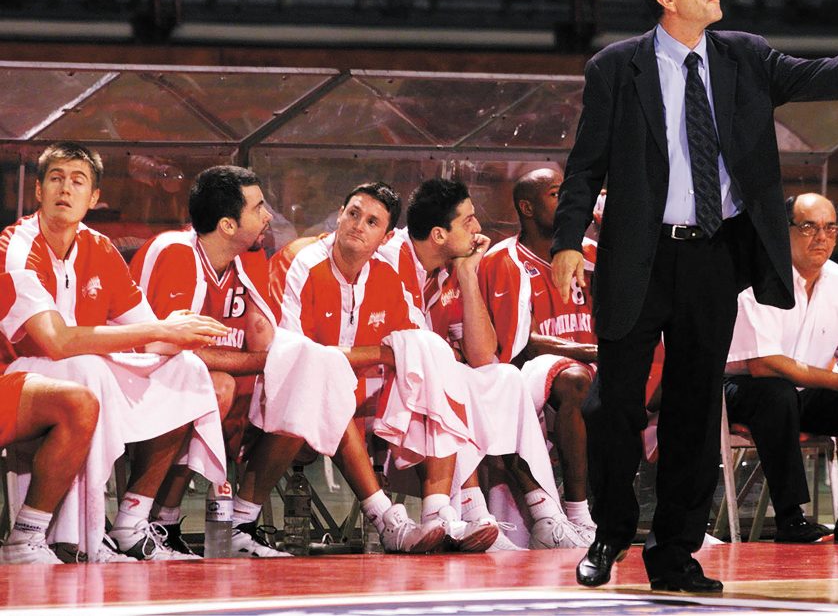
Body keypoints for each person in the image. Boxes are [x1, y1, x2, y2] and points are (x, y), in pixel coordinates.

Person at [550, 0, 838, 592]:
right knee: (614, 406)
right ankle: (611, 531)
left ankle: (674, 553)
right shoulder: (616, 67)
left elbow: (816, 77)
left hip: (714, 254)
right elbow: (584, 166)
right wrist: (568, 240)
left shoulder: (745, 54)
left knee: (692, 410)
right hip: (637, 256)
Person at [0, 141, 229, 562]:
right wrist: (161, 328)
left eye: (77, 181)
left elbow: (148, 335)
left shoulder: (99, 248)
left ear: (94, 198)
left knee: (188, 371)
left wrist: (184, 335)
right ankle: (51, 538)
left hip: (73, 370)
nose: (65, 189)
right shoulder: (16, 246)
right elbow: (56, 342)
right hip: (15, 375)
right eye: (56, 179)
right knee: (89, 371)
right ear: (38, 191)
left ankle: (130, 521)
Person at [131, 165, 364, 557]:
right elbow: (169, 351)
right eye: (258, 208)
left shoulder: (249, 260)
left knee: (303, 379)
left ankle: (242, 521)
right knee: (213, 387)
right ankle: (154, 521)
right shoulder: (175, 252)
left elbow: (267, 342)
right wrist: (266, 363)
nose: (268, 216)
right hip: (144, 390)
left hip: (228, 394)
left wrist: (284, 364)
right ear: (227, 225)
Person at [270, 182, 493, 553]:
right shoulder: (302, 260)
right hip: (296, 394)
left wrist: (466, 276)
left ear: (385, 236)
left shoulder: (385, 272)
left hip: (363, 392)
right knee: (330, 378)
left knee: (433, 361)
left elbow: (430, 347)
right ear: (339, 215)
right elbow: (291, 356)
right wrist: (379, 353)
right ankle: (386, 519)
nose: (358, 225)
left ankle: (440, 512)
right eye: (354, 214)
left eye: (371, 222)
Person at [378, 178, 591, 550]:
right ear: (439, 235)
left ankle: (545, 515)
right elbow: (418, 353)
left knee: (505, 377)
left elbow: (482, 354)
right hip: (386, 381)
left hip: (431, 381)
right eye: (468, 221)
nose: (478, 228)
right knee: (448, 373)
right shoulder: (392, 260)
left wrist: (467, 273)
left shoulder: (448, 268)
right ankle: (470, 511)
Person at [724, 193, 838, 544]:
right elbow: (764, 364)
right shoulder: (759, 277)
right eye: (809, 227)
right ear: (784, 231)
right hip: (740, 388)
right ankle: (790, 517)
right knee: (776, 393)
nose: (821, 237)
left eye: (830, 228)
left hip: (803, 390)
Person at [479, 168, 597, 538]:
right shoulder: (503, 259)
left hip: (595, 361)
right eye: (556, 194)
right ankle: (578, 512)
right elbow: (520, 342)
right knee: (574, 380)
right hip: (528, 370)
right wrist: (589, 351)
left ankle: (674, 514)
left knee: (675, 381)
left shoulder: (591, 252)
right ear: (527, 208)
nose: (568, 202)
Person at [0, 270, 100, 564]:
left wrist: (160, 332)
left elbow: (58, 340)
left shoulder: (14, 269)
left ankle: (26, 537)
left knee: (78, 403)